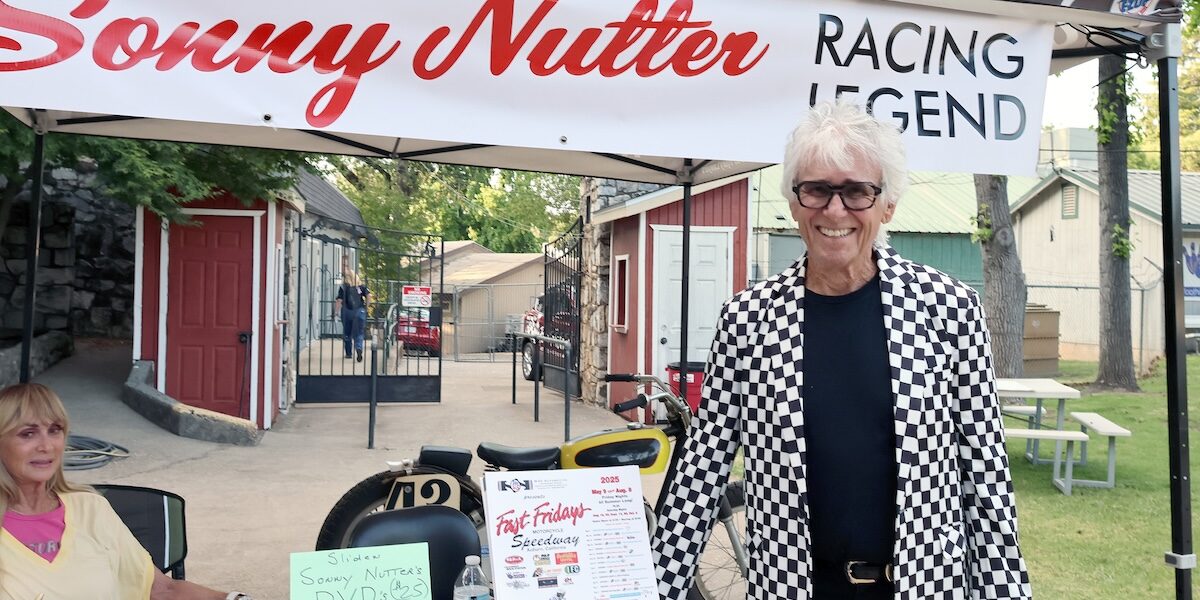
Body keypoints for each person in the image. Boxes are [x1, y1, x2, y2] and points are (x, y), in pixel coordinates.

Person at [650, 99, 1030, 599]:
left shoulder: (950, 309)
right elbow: (704, 467)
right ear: (794, 200)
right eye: (817, 190)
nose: (835, 210)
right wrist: (655, 586)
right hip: (792, 588)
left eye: (857, 191)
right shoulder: (747, 320)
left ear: (887, 204)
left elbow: (985, 478)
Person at [0, 382, 253, 599]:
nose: (46, 445)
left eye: (54, 430)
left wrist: (236, 598)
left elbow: (162, 590)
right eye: (28, 434)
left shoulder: (91, 509)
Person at [335, 270, 370, 362]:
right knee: (359, 332)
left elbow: (339, 301)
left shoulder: (343, 287)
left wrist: (335, 313)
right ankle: (359, 348)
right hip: (359, 311)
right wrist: (366, 308)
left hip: (347, 312)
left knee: (347, 333)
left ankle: (349, 353)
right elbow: (369, 296)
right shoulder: (361, 287)